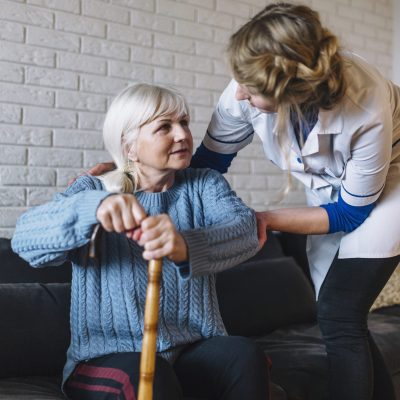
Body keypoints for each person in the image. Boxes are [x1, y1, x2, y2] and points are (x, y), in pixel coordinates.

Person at [86, 3, 400, 400]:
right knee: (341, 315)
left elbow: (350, 212)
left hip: (392, 177)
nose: (238, 93)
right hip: (331, 187)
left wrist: (263, 217)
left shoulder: (364, 105)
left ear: (289, 93)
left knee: (339, 311)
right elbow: (207, 165)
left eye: (250, 90)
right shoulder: (243, 89)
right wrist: (126, 174)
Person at [11, 83, 271, 400]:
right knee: (146, 375)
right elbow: (25, 240)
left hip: (191, 349)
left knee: (242, 355)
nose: (182, 135)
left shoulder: (203, 184)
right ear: (130, 146)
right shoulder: (94, 188)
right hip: (106, 358)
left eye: (184, 123)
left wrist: (185, 246)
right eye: (165, 126)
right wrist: (93, 208)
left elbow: (245, 230)